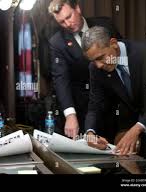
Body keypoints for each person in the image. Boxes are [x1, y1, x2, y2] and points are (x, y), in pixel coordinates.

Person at [48, 0, 121, 139]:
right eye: (62, 22)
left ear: (77, 8)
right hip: (85, 108)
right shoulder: (57, 42)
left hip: (114, 103)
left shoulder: (105, 24)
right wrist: (70, 115)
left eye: (69, 17)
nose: (68, 24)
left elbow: (122, 54)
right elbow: (61, 79)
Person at [82, 26, 146, 159]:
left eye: (101, 57)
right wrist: (90, 132)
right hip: (133, 140)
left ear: (113, 43)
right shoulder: (95, 69)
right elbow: (95, 104)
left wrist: (137, 128)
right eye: (93, 60)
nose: (98, 65)